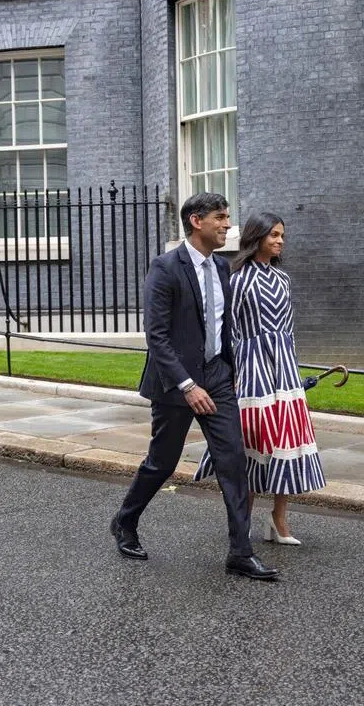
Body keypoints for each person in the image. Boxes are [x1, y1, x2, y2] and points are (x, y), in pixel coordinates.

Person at [110, 193, 279, 582]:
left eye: (227, 217)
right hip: (175, 384)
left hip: (217, 378)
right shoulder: (166, 267)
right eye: (220, 218)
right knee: (162, 463)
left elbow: (222, 326)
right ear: (196, 221)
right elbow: (157, 336)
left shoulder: (223, 268)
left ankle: (241, 552)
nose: (227, 225)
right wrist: (188, 385)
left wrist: (229, 369)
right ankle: (124, 521)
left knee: (233, 461)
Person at [194, 212, 325, 545]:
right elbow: (230, 330)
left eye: (282, 235)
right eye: (273, 235)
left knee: (290, 439)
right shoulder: (238, 279)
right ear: (257, 237)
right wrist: (234, 373)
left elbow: (289, 329)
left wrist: (292, 369)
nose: (280, 241)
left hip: (283, 367)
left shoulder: (283, 280)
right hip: (252, 369)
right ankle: (243, 521)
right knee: (253, 442)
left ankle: (279, 520)